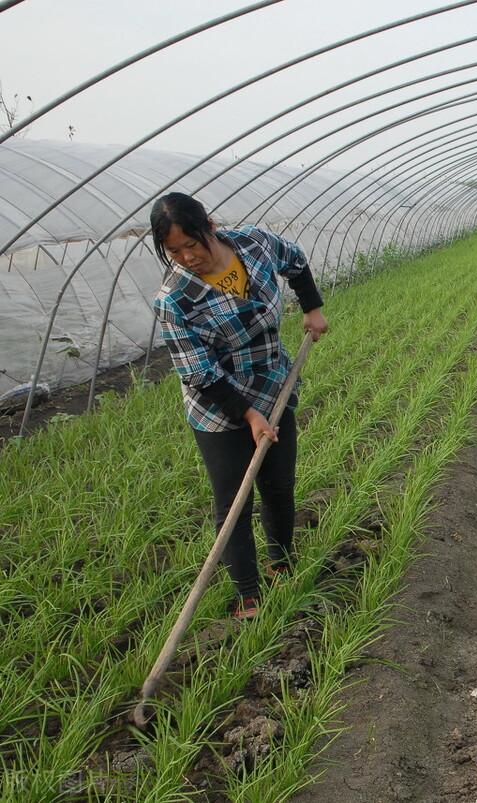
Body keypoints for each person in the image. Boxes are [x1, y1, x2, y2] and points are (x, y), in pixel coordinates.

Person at [151, 192, 329, 620]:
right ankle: (248, 592)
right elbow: (200, 373)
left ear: (209, 226)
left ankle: (282, 562)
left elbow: (296, 261)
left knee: (280, 486)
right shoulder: (174, 300)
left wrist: (313, 307)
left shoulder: (253, 244)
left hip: (272, 384)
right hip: (218, 407)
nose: (186, 257)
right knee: (234, 502)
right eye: (173, 251)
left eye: (191, 244)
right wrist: (247, 415)